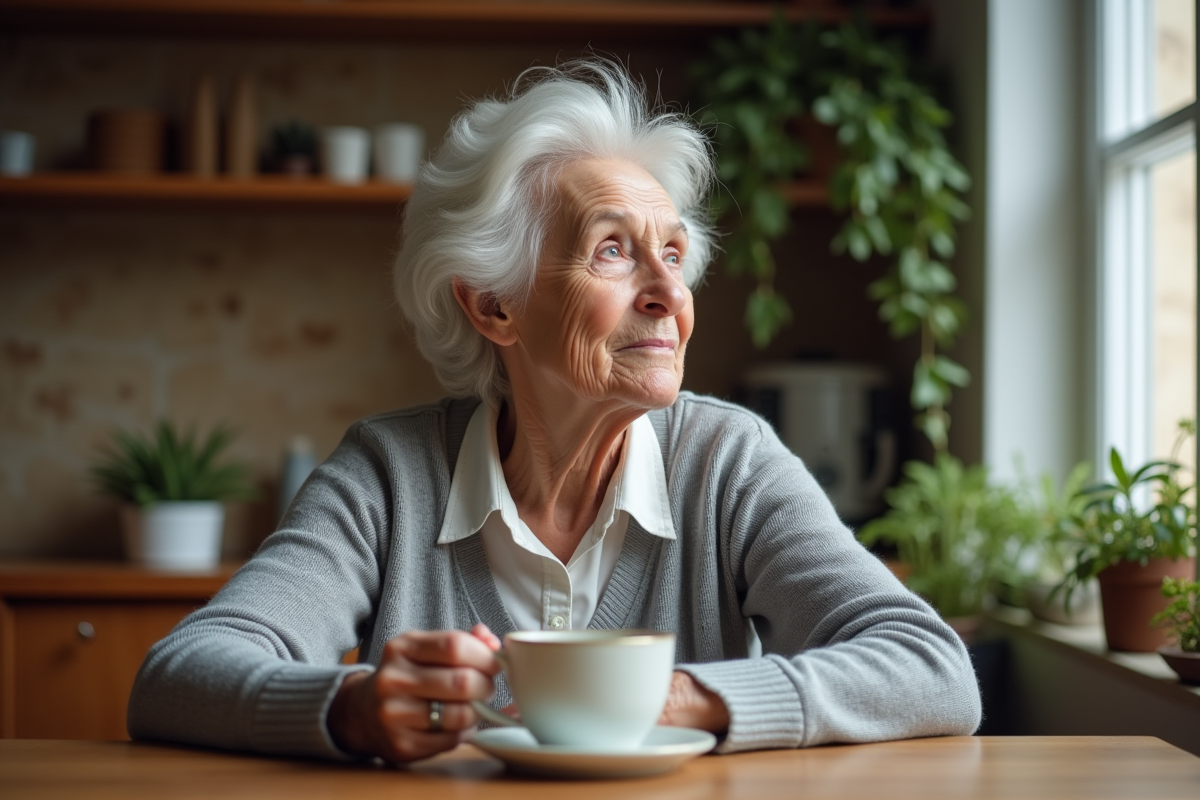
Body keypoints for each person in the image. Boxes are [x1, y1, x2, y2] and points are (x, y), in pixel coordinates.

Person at [128, 61, 981, 764]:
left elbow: (932, 667)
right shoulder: (389, 475)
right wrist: (346, 705)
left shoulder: (729, 461)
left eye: (674, 254)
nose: (668, 295)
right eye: (614, 249)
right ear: (494, 305)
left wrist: (685, 698)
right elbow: (178, 674)